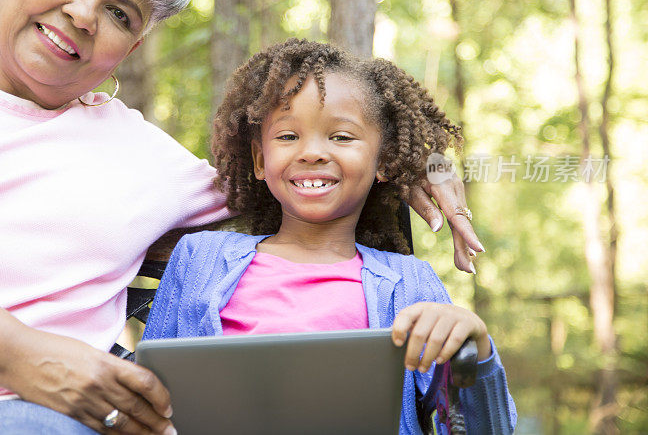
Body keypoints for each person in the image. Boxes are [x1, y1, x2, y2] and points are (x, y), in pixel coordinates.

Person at [0, 0, 482, 434]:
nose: (84, 13)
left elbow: (299, 169)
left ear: (132, 46)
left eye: (122, 14)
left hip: (18, 419)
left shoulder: (146, 158)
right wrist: (31, 360)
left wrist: (415, 161)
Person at [142, 39, 517, 434]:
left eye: (341, 137)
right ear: (258, 160)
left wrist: (475, 350)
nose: (312, 152)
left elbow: (487, 430)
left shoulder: (409, 283)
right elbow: (148, 395)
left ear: (384, 161)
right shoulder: (200, 257)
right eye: (288, 136)